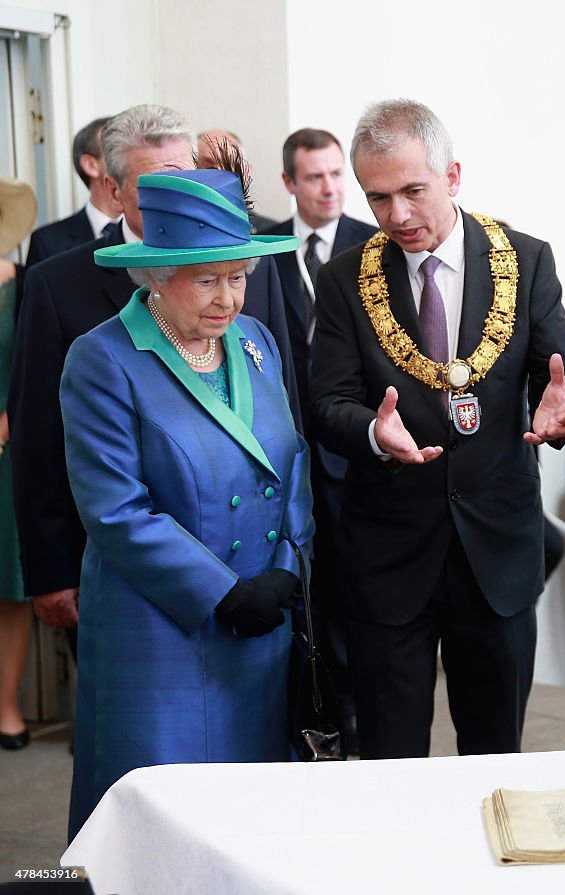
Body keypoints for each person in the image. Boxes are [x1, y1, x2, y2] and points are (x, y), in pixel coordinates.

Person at [311, 99, 565, 760]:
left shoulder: (524, 261)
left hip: (495, 554)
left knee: (495, 755)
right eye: (378, 199)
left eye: (414, 191)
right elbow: (327, 403)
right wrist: (376, 434)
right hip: (390, 560)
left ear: (453, 175)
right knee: (391, 758)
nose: (399, 216)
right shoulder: (345, 281)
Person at [60, 167, 313, 841]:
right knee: (164, 822)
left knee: (249, 820)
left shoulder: (255, 342)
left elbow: (290, 458)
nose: (228, 298)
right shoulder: (104, 358)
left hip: (262, 626)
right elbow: (116, 510)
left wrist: (289, 564)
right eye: (208, 279)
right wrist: (223, 592)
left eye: (239, 276)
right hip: (164, 634)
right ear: (157, 275)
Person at [8, 104, 299, 659]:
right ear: (114, 191)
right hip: (132, 575)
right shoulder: (57, 283)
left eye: (183, 176)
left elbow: (286, 423)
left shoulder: (249, 279)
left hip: (257, 571)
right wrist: (49, 571)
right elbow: (38, 438)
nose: (224, 295)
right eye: (153, 183)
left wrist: (292, 557)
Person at [261, 129, 377, 752]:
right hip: (292, 453)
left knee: (359, 587)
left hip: (360, 454)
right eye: (315, 177)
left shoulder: (376, 243)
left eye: (337, 174)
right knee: (312, 588)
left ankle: (358, 711)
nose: (330, 187)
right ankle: (317, 711)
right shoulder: (266, 253)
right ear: (290, 184)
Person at [0, 176, 36, 750]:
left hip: (6, 447)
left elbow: (30, 361)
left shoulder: (17, 281)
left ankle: (5, 702)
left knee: (11, 581)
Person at [25, 117, 120, 269]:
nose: (129, 160)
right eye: (118, 150)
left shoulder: (153, 232)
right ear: (90, 165)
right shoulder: (48, 243)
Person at [197, 129, 278, 231]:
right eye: (210, 168)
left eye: (231, 167)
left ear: (247, 172)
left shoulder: (272, 234)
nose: (222, 177)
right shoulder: (177, 233)